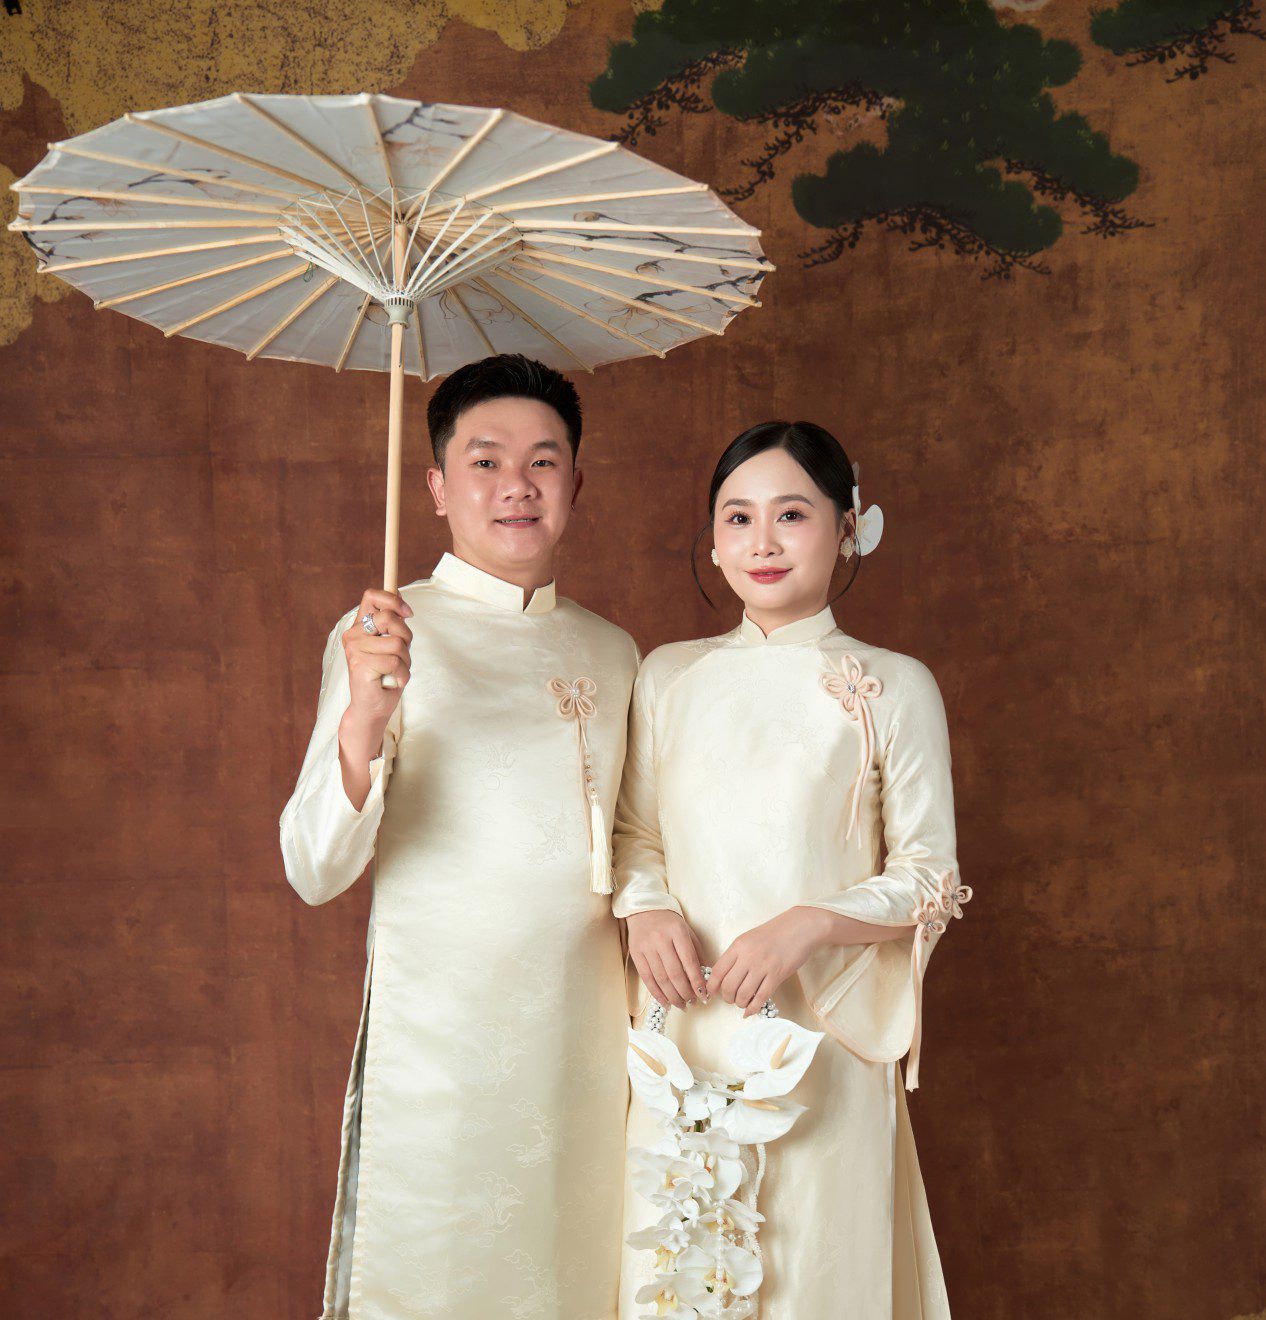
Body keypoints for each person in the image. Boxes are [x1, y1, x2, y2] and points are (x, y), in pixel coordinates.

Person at [280, 354, 639, 1320]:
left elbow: (636, 839)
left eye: (543, 461)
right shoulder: (385, 636)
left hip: (589, 1043)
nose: (516, 485)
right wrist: (364, 715)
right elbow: (313, 867)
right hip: (445, 1041)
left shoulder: (613, 652)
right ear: (437, 487)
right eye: (484, 462)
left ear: (575, 483)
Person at [613, 421, 969, 1318]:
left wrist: (806, 924)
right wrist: (646, 909)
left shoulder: (892, 684)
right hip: (682, 1025)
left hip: (822, 1036)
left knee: (813, 1275)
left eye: (792, 515)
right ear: (713, 540)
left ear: (847, 529)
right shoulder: (666, 677)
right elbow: (635, 832)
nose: (762, 543)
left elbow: (930, 875)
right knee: (682, 1266)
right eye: (737, 518)